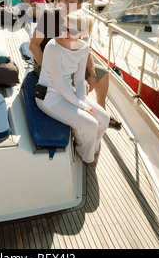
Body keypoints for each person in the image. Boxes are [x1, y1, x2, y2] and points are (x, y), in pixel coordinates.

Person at [29, 0, 121, 128]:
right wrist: (47, 68)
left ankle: (101, 113)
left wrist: (92, 73)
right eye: (64, 0)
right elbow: (34, 46)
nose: (65, 4)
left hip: (69, 63)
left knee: (103, 75)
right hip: (47, 62)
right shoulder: (49, 17)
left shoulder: (80, 21)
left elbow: (85, 50)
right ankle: (80, 118)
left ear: (79, 6)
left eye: (70, 2)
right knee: (78, 84)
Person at [35, 9, 110, 165]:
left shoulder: (83, 48)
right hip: (49, 96)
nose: (66, 32)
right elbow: (57, 82)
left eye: (72, 30)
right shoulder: (53, 46)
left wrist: (81, 100)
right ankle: (86, 155)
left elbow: (79, 78)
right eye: (65, 27)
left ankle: (91, 145)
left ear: (83, 33)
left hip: (69, 92)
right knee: (91, 124)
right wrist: (81, 105)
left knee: (104, 118)